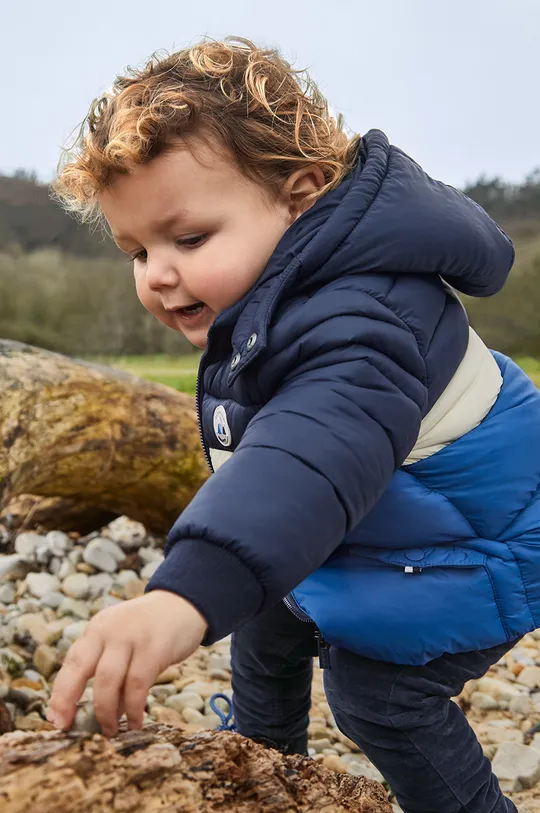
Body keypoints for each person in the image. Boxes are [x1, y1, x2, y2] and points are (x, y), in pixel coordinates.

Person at [47, 38, 540, 813]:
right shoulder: (286, 292)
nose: (158, 274)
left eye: (189, 238)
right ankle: (265, 770)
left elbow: (309, 453)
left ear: (301, 196)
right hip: (395, 519)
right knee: (269, 613)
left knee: (380, 698)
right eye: (136, 249)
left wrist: (185, 594)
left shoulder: (357, 315)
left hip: (484, 544)